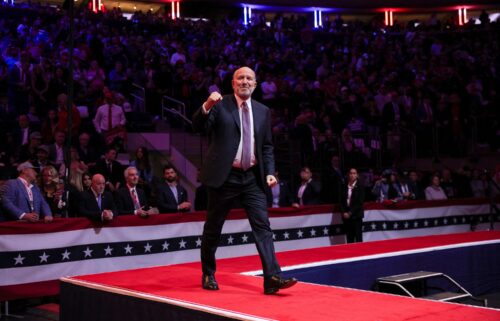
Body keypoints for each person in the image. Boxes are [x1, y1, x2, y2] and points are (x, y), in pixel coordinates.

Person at [192, 66, 297, 294]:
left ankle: (272, 278)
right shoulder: (220, 105)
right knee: (213, 228)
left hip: (252, 178)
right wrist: (207, 105)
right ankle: (208, 273)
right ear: (233, 83)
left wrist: (269, 170)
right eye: (240, 78)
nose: (245, 81)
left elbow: (267, 146)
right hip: (224, 177)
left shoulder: (263, 111)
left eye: (249, 78)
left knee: (263, 228)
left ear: (256, 84)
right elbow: (197, 126)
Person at [339, 168, 365, 243]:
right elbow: (341, 201)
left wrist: (350, 213)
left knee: (358, 238)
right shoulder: (344, 186)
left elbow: (360, 202)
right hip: (346, 217)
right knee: (349, 238)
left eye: (354, 173)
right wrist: (344, 212)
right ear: (348, 175)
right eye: (351, 173)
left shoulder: (360, 186)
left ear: (357, 175)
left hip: (356, 216)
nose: (352, 175)